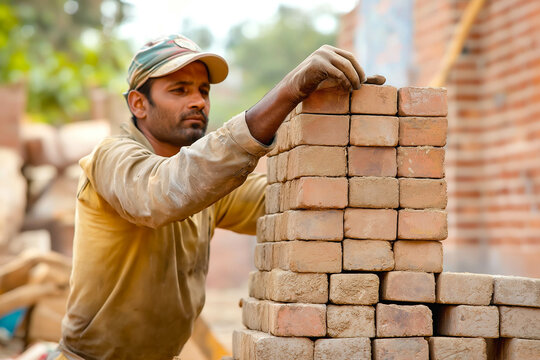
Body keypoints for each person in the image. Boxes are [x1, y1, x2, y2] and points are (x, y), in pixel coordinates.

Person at [50, 34, 385, 360]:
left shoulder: (204, 183)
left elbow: (286, 202)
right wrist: (288, 90)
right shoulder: (112, 159)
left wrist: (345, 128)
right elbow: (162, 194)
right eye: (179, 90)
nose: (198, 101)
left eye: (203, 91)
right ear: (139, 104)